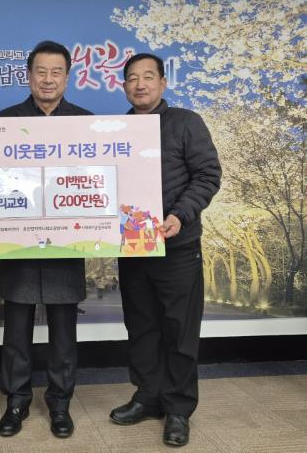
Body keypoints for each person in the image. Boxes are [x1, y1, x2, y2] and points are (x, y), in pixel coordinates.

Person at [109, 53, 221, 447]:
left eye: (148, 77)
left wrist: (180, 215)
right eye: (132, 78)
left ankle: (177, 408)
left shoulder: (186, 123)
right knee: (141, 327)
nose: (140, 84)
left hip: (178, 245)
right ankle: (147, 396)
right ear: (124, 86)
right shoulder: (114, 130)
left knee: (179, 330)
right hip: (133, 245)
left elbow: (208, 174)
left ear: (162, 83)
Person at [0, 40, 92, 439]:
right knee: (15, 332)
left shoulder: (85, 122)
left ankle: (60, 404)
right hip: (18, 244)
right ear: (28, 75)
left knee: (64, 334)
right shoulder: (5, 120)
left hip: (67, 246)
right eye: (41, 71)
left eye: (56, 72)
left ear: (67, 77)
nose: (48, 79)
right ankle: (16, 402)